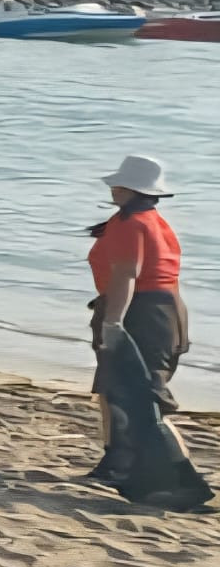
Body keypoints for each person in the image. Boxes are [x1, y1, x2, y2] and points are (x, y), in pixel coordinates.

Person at [87, 156, 190, 471]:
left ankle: (179, 470)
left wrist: (113, 321)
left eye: (122, 184)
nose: (115, 188)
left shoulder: (132, 224)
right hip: (157, 310)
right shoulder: (142, 219)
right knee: (111, 388)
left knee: (148, 397)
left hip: (144, 313)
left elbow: (127, 274)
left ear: (136, 190)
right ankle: (115, 459)